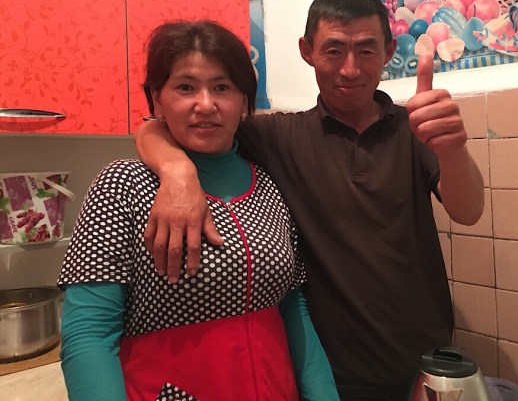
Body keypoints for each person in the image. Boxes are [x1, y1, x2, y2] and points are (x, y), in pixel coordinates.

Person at [135, 0, 518, 401]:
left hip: (424, 365)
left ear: (389, 51)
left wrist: (452, 148)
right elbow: (157, 127)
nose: (350, 69)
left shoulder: (411, 128)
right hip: (327, 375)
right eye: (334, 50)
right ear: (307, 51)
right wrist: (176, 170)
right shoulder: (279, 136)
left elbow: (468, 210)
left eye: (366, 50)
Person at [57, 20, 338, 401]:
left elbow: (292, 306)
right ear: (157, 98)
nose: (205, 105)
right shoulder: (122, 186)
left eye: (222, 87)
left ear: (244, 101)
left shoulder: (269, 186)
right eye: (185, 87)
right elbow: (88, 334)